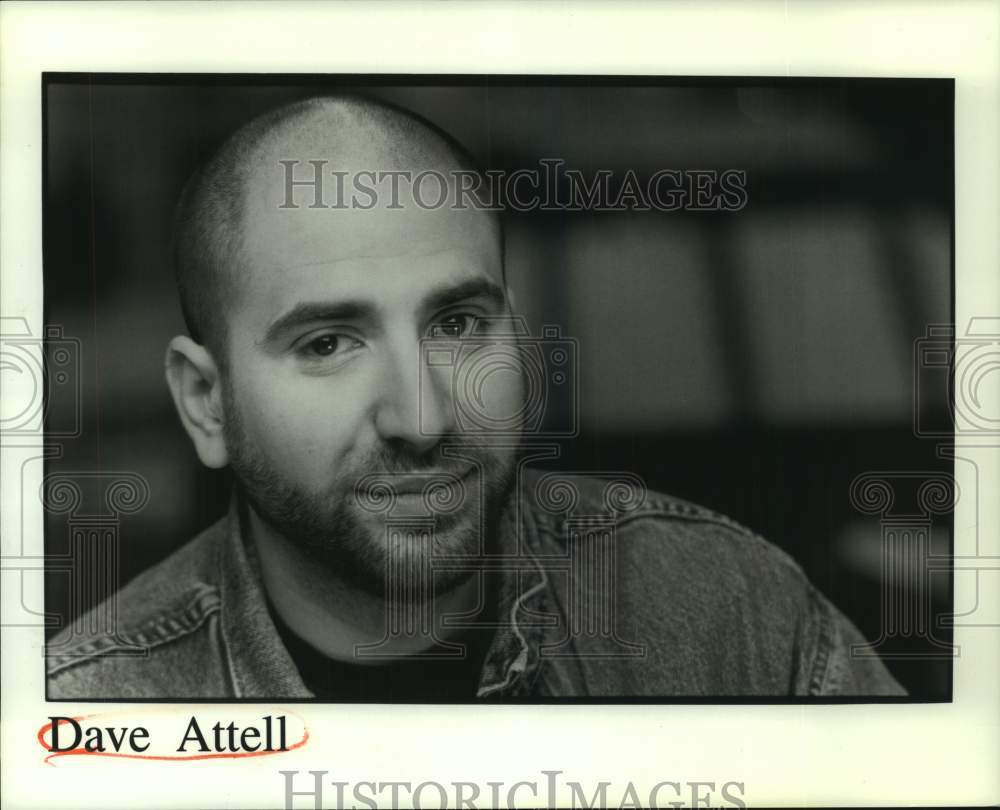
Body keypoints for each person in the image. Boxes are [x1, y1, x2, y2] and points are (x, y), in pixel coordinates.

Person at [47, 95, 904, 699]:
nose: (422, 419)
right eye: (327, 344)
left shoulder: (727, 609)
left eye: (457, 325)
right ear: (205, 402)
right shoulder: (98, 711)